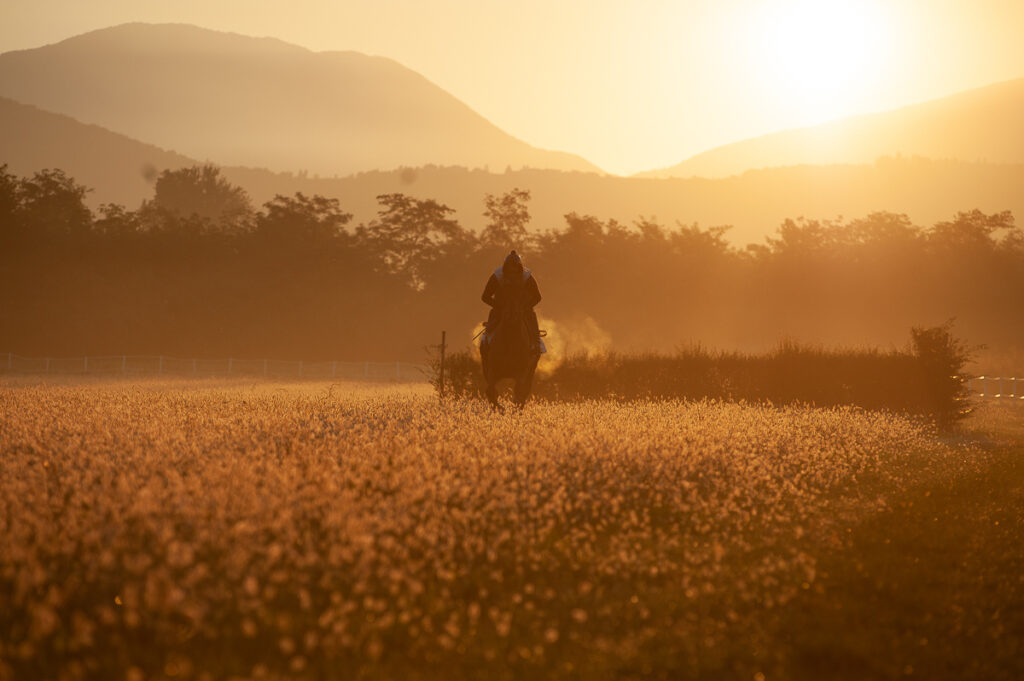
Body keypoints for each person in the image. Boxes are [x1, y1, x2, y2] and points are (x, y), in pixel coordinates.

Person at [481, 250, 543, 353]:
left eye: (514, 268)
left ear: (519, 268)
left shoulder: (527, 277)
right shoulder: (497, 276)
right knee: (493, 316)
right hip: (501, 307)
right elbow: (485, 297)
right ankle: (486, 341)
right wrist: (499, 307)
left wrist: (525, 307)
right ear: (505, 268)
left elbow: (537, 297)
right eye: (510, 269)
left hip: (522, 307)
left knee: (531, 315)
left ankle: (535, 343)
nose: (512, 272)